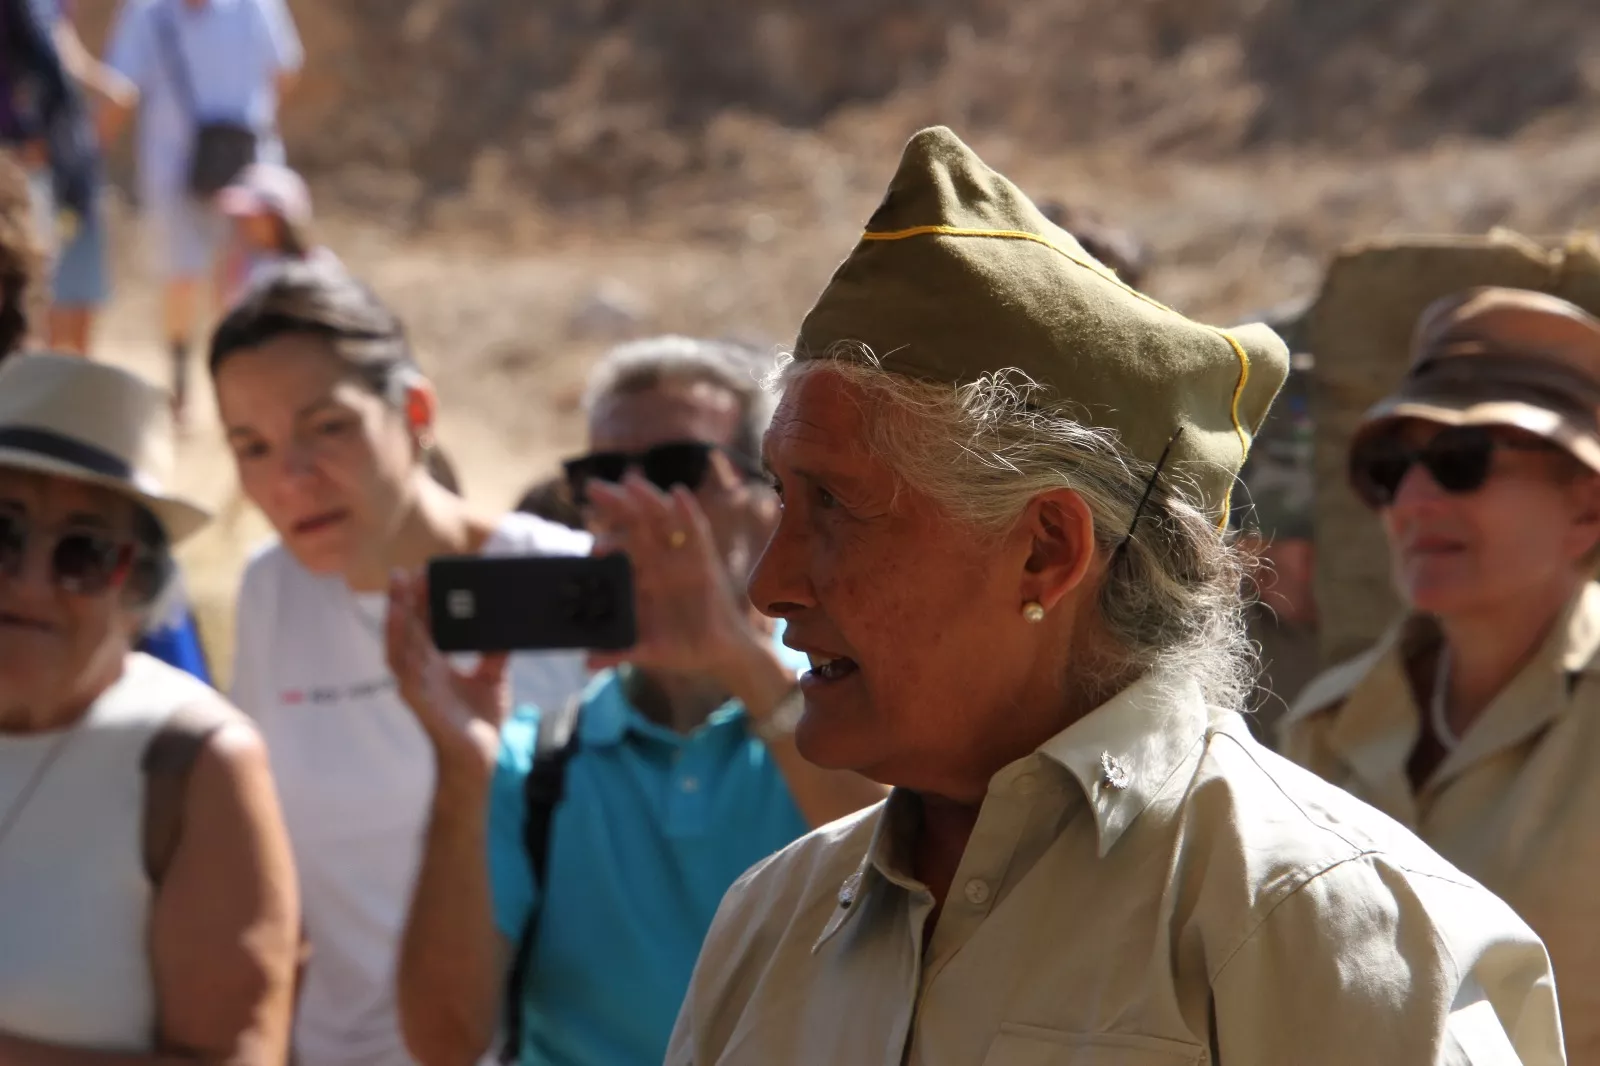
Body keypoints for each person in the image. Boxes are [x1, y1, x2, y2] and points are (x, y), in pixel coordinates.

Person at [656, 128, 1563, 1065]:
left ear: (1046, 552)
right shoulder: (774, 916)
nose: (770, 584)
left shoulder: (1317, 916)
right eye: (780, 498)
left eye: (837, 506)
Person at [386, 335, 889, 1066]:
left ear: (770, 500)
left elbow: (916, 880)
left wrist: (742, 664)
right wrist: (463, 774)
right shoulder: (532, 764)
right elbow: (443, 1042)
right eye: (602, 476)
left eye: (674, 470)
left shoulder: (854, 708)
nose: (634, 503)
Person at [211, 260, 593, 1066]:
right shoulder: (271, 591)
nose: (291, 477)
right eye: (253, 445)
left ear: (415, 410)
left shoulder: (567, 582)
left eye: (327, 427)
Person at [1281, 285, 1600, 1062]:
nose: (1414, 500)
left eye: (1462, 462)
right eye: (1391, 467)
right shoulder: (1326, 728)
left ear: (1587, 507)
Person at [0, 353, 300, 1063]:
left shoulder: (191, 763)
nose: (32, 585)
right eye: (1, 535)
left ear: (139, 590)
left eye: (85, 553)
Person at [101, 0, 303, 426]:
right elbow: (284, 71)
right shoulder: (151, 12)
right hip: (184, 173)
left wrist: (91, 151)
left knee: (240, 282)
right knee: (187, 278)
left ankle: (235, 388)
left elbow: (120, 92)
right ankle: (188, 391)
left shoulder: (251, 7)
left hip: (242, 174)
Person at [45, 1, 135, 355]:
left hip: (68, 187)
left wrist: (82, 153)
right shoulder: (45, 24)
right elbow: (118, 95)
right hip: (57, 187)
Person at [218, 161, 339, 306]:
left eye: (252, 217)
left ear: (278, 219)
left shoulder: (316, 269)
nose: (243, 223)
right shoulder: (248, 265)